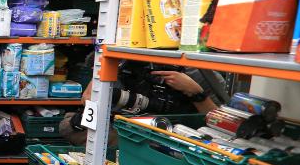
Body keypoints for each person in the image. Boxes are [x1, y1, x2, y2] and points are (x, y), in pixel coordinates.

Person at [61, 59, 227, 145]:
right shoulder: (126, 64)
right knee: (70, 125)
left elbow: (219, 126)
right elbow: (89, 101)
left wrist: (195, 92)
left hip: (172, 134)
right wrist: (96, 85)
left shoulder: (198, 73)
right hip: (128, 127)